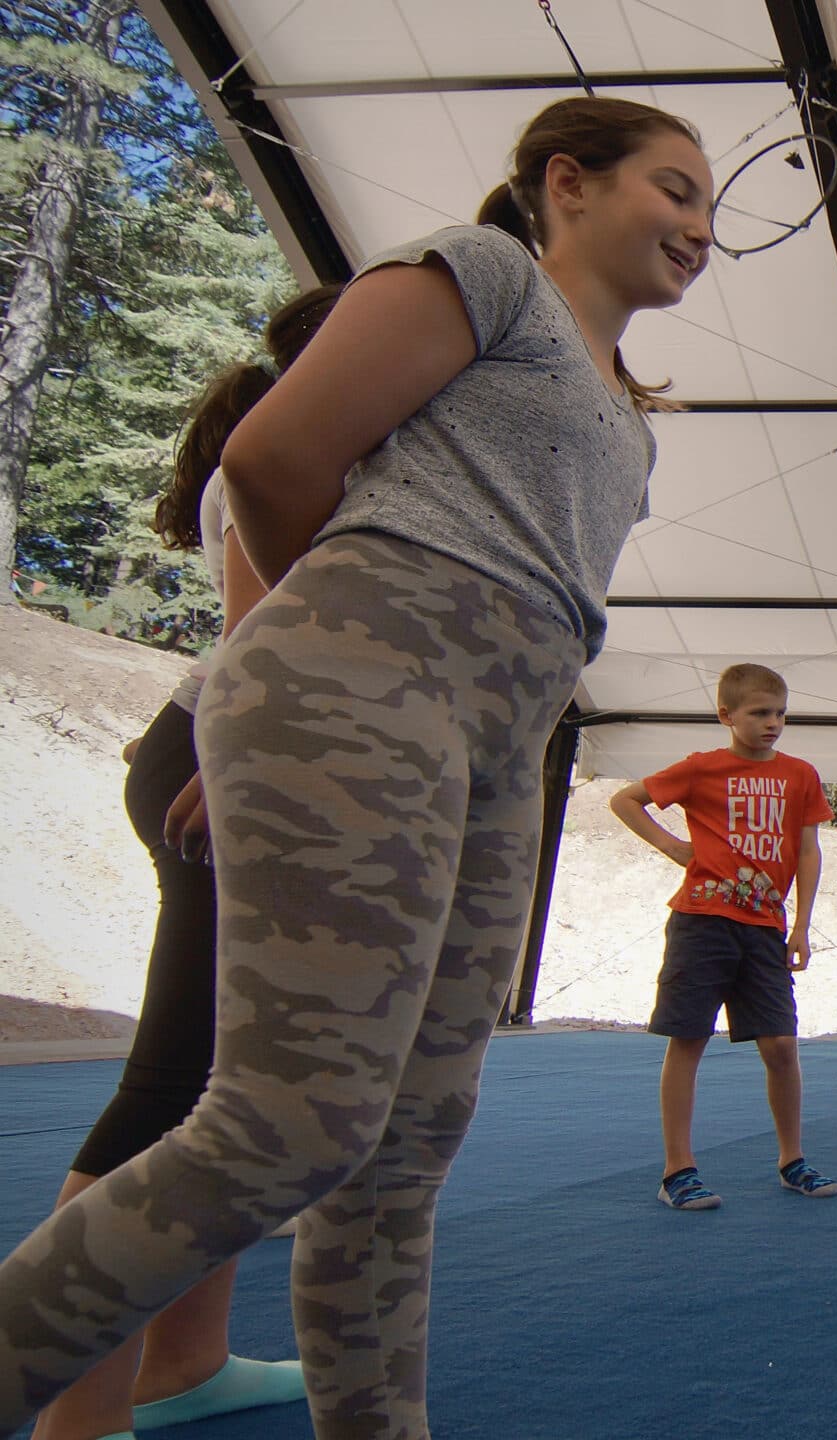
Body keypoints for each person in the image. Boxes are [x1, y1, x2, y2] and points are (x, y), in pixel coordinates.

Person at [0, 95, 714, 1437]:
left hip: (502, 743)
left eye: (711, 209)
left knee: (399, 1160)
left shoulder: (630, 419)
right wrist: (339, 649)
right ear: (567, 182)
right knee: (286, 1126)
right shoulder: (486, 272)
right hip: (367, 687)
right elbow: (273, 457)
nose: (699, 225)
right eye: (673, 189)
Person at [28, 288, 338, 1440]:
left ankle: (186, 1362)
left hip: (226, 752)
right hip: (224, 760)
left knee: (225, 1098)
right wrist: (235, 751)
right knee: (169, 1092)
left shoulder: (301, 445)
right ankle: (76, 1405)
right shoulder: (291, 451)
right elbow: (261, 629)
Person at [608, 663, 837, 1211]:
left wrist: (802, 922)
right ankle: (677, 1170)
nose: (772, 723)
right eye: (760, 713)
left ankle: (792, 1159)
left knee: (781, 1045)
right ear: (726, 715)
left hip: (766, 929)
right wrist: (674, 848)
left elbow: (807, 850)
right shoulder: (701, 769)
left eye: (781, 713)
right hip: (702, 922)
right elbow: (624, 800)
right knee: (688, 1039)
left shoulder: (799, 775)